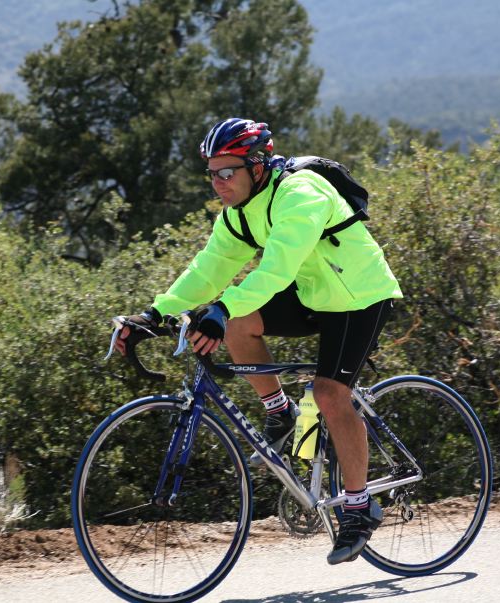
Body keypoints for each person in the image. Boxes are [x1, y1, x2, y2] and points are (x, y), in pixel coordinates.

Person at [116, 117, 403, 564]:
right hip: (314, 294)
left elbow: (278, 270)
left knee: (329, 394)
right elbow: (207, 268)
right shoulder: (238, 214)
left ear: (258, 165)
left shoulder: (300, 193)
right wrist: (155, 314)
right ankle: (280, 411)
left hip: (359, 296)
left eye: (227, 171)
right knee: (236, 324)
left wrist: (221, 306)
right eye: (211, 173)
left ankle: (358, 505)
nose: (218, 183)